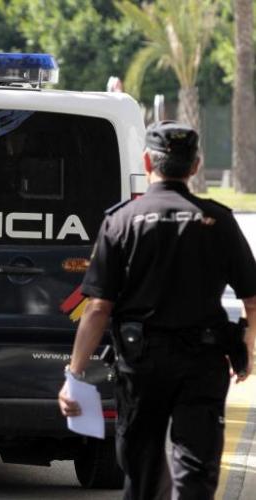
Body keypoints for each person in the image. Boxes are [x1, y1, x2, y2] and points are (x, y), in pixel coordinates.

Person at [57, 121, 256, 499]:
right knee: (196, 468)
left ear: (148, 162)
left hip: (141, 363)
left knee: (143, 470)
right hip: (202, 362)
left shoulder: (121, 221)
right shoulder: (219, 220)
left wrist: (75, 373)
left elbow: (98, 307)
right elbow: (252, 300)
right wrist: (246, 349)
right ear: (195, 165)